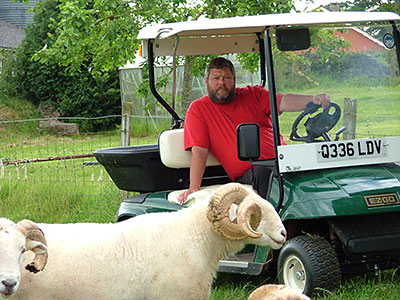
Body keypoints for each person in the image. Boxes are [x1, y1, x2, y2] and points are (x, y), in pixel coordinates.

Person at [178, 57, 331, 204]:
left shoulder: (253, 94)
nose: (222, 83)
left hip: (283, 160)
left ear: (234, 80)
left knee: (312, 162)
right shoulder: (199, 109)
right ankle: (278, 224)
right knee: (267, 173)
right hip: (254, 171)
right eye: (216, 78)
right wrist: (194, 188)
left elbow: (282, 101)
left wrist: (312, 99)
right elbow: (199, 151)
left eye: (227, 78)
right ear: (206, 81)